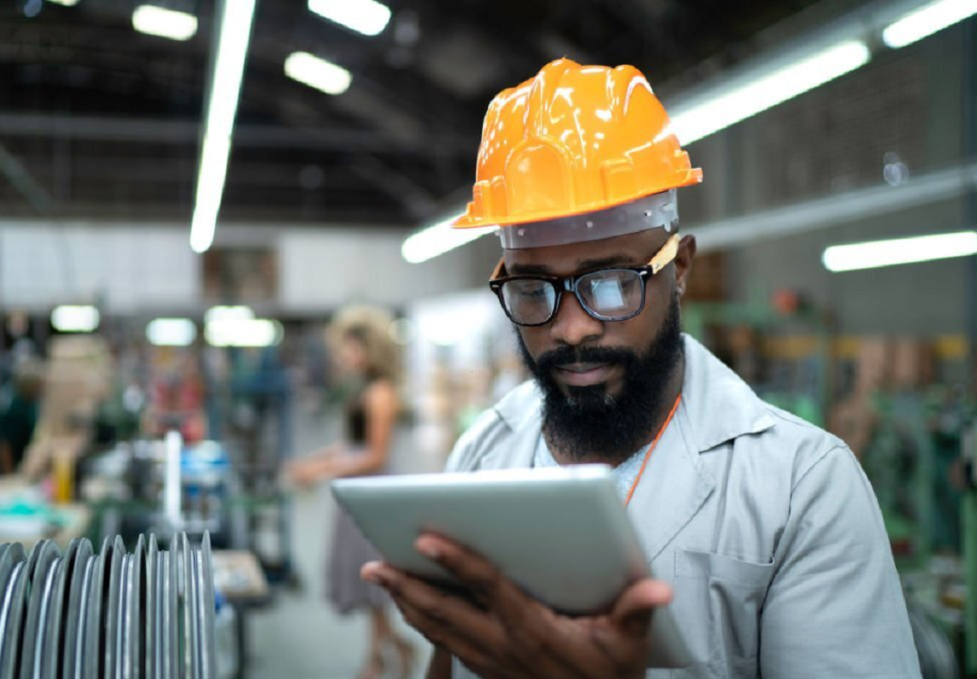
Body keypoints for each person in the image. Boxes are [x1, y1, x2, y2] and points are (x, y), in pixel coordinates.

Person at [361, 59, 921, 679]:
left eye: (608, 284)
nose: (571, 329)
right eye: (531, 289)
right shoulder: (484, 452)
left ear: (678, 268)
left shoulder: (802, 488)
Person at [288, 306, 415, 679]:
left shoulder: (380, 393)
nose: (345, 355)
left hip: (375, 493)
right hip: (360, 490)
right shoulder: (363, 390)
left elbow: (375, 453)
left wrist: (321, 470)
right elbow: (352, 443)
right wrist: (314, 461)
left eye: (351, 347)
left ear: (369, 349)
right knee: (367, 580)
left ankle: (377, 658)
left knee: (375, 579)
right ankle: (392, 650)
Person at [0, 360, 43, 475]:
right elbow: (3, 447)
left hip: (15, 458)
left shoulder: (30, 403)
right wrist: (9, 476)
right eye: (37, 385)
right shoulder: (13, 408)